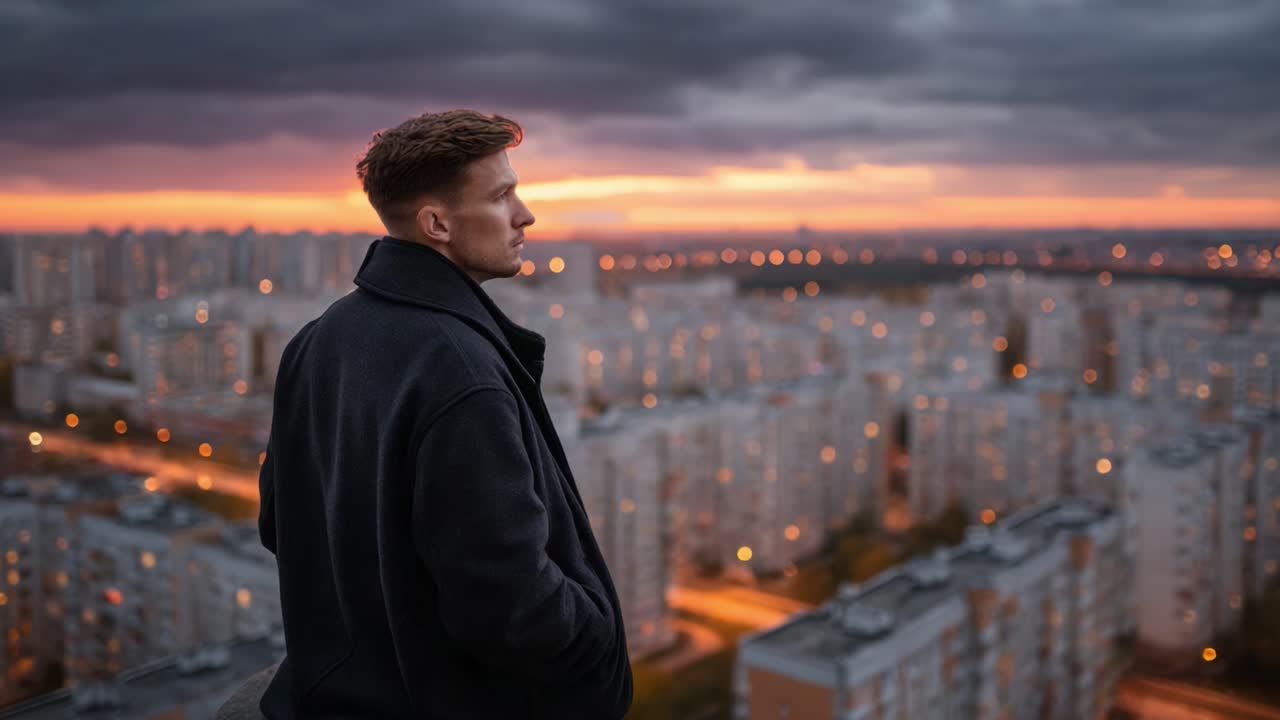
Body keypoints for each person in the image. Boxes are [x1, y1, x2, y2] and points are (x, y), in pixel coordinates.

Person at [256, 109, 632, 719]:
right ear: (437, 223)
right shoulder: (461, 373)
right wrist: (595, 638)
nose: (525, 214)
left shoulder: (317, 339)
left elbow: (280, 523)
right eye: (502, 195)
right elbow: (508, 603)